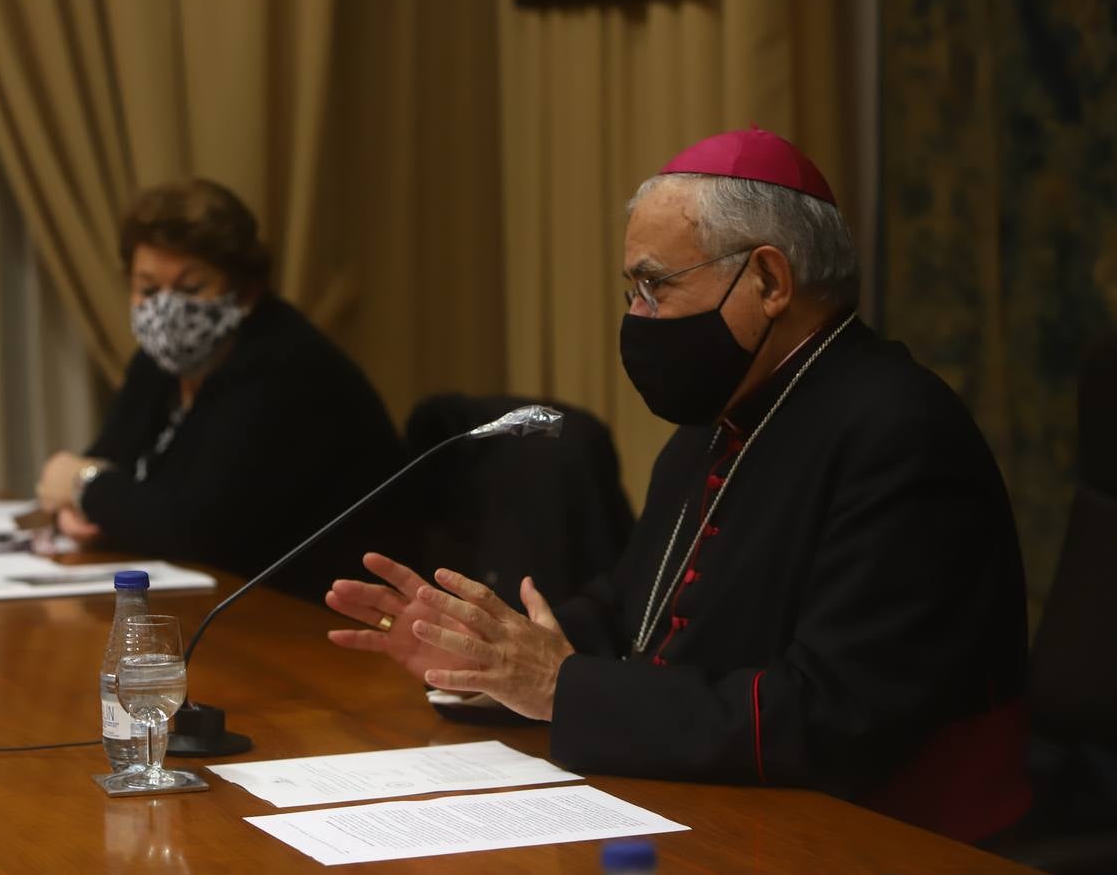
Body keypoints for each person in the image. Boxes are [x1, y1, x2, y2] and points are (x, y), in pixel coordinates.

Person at [325, 127, 1031, 843]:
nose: (636, 317)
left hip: (884, 838)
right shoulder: (716, 419)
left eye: (655, 286)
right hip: (724, 806)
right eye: (631, 290)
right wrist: (489, 654)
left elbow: (831, 717)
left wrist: (561, 687)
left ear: (769, 281)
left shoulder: (900, 431)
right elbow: (642, 605)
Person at [36, 178, 404, 599]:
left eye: (192, 288)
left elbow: (192, 529)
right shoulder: (158, 367)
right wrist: (84, 502)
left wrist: (82, 485)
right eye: (148, 289)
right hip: (225, 598)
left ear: (244, 292)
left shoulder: (286, 368)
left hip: (318, 613)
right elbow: (108, 467)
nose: (166, 309)